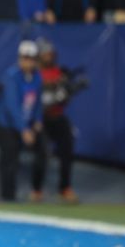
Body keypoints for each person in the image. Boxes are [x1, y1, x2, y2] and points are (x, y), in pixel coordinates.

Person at [0, 40, 45, 202]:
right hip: (7, 124)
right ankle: (7, 196)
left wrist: (37, 119)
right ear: (19, 58)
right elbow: (12, 106)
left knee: (42, 151)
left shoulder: (37, 77)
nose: (28, 62)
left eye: (31, 58)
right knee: (9, 158)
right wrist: (24, 129)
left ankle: (36, 191)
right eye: (25, 58)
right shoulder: (11, 76)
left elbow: (37, 102)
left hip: (25, 123)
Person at [37, 41, 81, 203]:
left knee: (67, 150)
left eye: (51, 54)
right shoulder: (35, 72)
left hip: (57, 116)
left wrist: (70, 90)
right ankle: (37, 190)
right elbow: (39, 95)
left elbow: (63, 99)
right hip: (40, 118)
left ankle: (65, 188)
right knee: (41, 155)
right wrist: (54, 88)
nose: (49, 57)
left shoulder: (59, 72)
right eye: (46, 54)